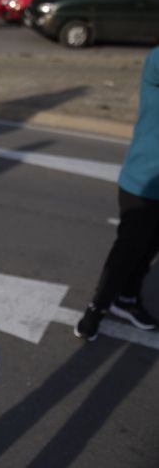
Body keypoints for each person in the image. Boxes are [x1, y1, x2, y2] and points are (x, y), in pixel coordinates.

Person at [75, 46, 159, 341]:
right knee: (128, 250)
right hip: (143, 180)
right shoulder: (155, 62)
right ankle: (96, 310)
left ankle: (127, 299)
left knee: (149, 248)